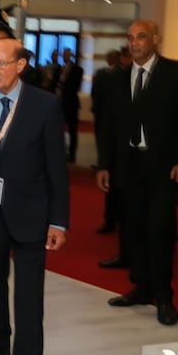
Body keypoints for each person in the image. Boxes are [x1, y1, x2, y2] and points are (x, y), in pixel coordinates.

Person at [0, 39, 69, 355]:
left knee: (28, 299)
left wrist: (59, 220)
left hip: (31, 216)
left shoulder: (45, 105)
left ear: (21, 65)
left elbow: (56, 167)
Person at [96, 19, 178, 326]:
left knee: (159, 229)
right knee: (132, 229)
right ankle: (141, 287)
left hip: (163, 168)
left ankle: (163, 295)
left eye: (141, 36)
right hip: (128, 167)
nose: (134, 42)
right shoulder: (117, 79)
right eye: (130, 37)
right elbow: (108, 127)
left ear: (156, 38)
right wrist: (104, 164)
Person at [98, 45, 134, 269]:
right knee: (122, 205)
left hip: (149, 160)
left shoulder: (165, 77)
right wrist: (104, 163)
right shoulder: (115, 79)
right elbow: (108, 120)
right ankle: (126, 253)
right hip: (119, 157)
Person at [91, 49, 121, 234]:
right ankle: (109, 220)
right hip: (104, 121)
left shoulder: (124, 76)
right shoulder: (101, 74)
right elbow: (97, 95)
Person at [56, 47, 84, 162]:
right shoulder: (59, 69)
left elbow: (74, 86)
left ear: (70, 56)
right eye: (63, 55)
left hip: (71, 103)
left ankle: (72, 155)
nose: (64, 57)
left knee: (72, 131)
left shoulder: (78, 70)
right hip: (60, 104)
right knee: (59, 129)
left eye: (66, 55)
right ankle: (61, 152)